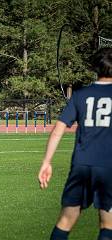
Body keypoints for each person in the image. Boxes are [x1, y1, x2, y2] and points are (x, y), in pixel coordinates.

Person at [38, 47, 112, 240]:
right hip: (108, 166)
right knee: (108, 224)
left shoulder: (81, 94)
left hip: (81, 165)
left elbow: (58, 131)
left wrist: (47, 162)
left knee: (65, 222)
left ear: (95, 68)